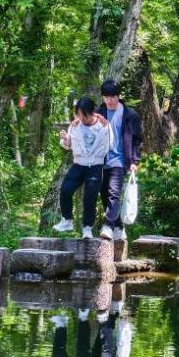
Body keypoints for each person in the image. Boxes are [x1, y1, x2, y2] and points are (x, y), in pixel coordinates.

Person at [53, 97, 113, 239]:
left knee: (89, 198)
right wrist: (65, 139)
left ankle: (87, 229)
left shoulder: (104, 126)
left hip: (95, 166)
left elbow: (111, 145)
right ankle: (67, 220)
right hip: (78, 164)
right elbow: (68, 145)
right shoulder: (75, 125)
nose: (81, 118)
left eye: (84, 115)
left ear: (92, 112)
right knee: (65, 190)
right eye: (78, 114)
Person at [97, 81, 143, 241]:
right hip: (100, 162)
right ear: (103, 97)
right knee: (104, 195)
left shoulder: (130, 115)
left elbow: (137, 140)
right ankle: (119, 227)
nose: (110, 100)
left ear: (119, 96)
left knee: (113, 194)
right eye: (107, 97)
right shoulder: (97, 114)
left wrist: (134, 161)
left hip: (120, 161)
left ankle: (108, 226)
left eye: (114, 96)